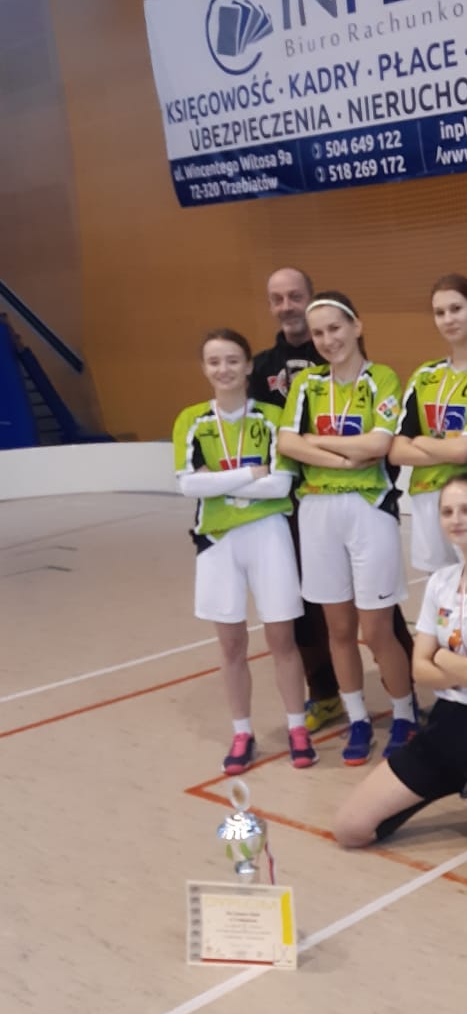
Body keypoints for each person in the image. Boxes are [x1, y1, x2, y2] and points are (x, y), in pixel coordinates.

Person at [334, 472, 467, 899]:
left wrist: (441, 657)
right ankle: (444, 787)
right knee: (350, 829)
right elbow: (419, 671)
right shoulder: (440, 582)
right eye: (447, 511)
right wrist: (456, 662)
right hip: (445, 733)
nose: (455, 519)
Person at [250, 265, 414, 736]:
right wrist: (345, 457)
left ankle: (404, 715)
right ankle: (357, 719)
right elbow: (286, 442)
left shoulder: (382, 378)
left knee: (377, 630)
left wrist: (318, 445)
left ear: (356, 326)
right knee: (338, 630)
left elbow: (379, 443)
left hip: (368, 511)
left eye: (335, 329)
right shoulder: (307, 385)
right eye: (319, 333)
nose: (327, 340)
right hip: (317, 513)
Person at [173, 328, 314, 774]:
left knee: (282, 640)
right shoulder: (191, 420)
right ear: (204, 368)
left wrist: (219, 481)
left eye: (233, 360)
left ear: (249, 365)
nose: (224, 369)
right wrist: (252, 474)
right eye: (214, 361)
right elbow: (187, 485)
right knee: (231, 644)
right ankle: (242, 732)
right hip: (217, 541)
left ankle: (297, 727)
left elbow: (281, 484)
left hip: (269, 535)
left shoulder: (273, 416)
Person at [390, 275, 467, 573]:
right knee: (439, 590)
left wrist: (422, 441)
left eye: (456, 309)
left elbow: (465, 451)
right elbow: (396, 451)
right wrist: (447, 447)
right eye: (440, 312)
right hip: (425, 498)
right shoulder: (424, 375)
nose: (448, 319)